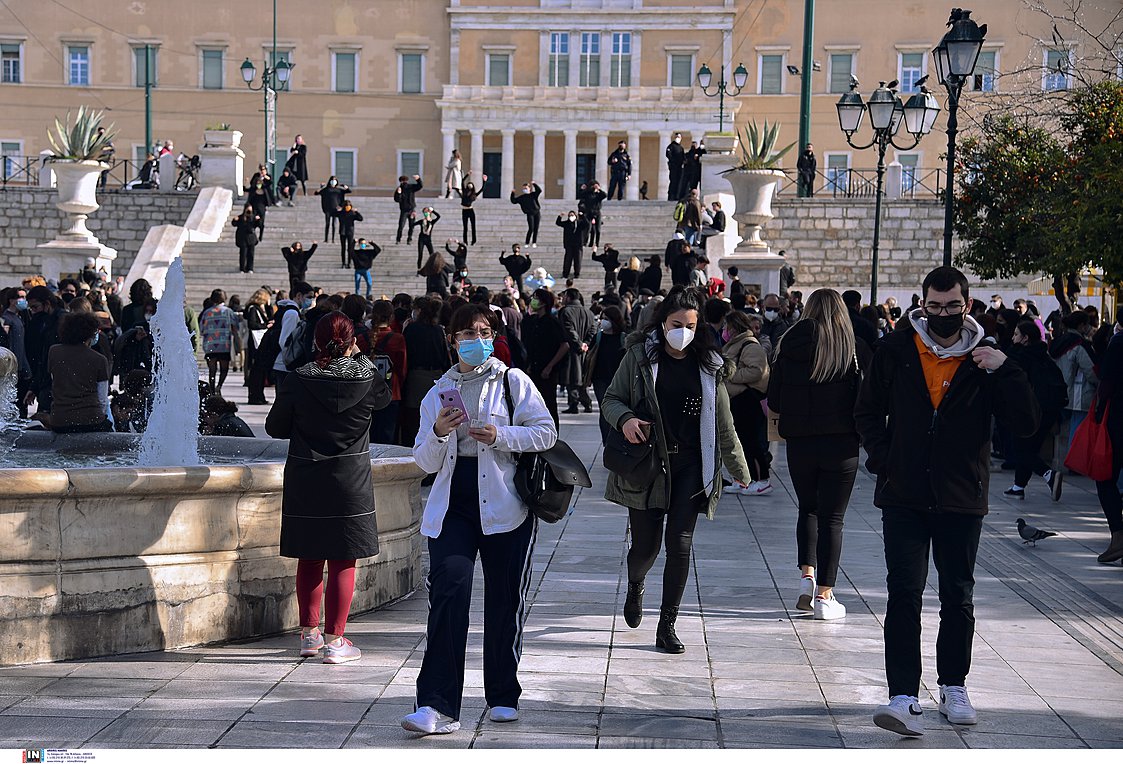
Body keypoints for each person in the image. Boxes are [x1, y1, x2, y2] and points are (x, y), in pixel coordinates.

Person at [855, 266, 1039, 737]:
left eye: (951, 307)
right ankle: (903, 695)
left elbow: (1025, 424)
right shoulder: (898, 349)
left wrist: (1008, 370)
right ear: (923, 305)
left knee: (958, 595)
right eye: (933, 307)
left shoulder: (985, 358)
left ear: (967, 305)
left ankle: (953, 685)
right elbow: (867, 410)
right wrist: (884, 458)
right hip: (904, 494)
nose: (942, 315)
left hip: (961, 495)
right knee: (904, 593)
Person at [403, 303, 557, 736]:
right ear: (452, 340)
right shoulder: (438, 392)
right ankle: (436, 704)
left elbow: (546, 432)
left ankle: (503, 693)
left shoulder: (512, 380)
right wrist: (438, 432)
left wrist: (500, 434)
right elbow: (424, 461)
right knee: (450, 590)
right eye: (468, 333)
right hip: (455, 502)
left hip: (506, 502)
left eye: (484, 331)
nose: (477, 339)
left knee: (504, 598)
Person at [602, 286, 751, 653]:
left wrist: (740, 470)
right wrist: (625, 420)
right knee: (645, 549)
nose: (682, 330)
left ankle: (667, 625)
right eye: (675, 323)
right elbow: (610, 399)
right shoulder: (639, 358)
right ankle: (636, 584)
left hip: (691, 465)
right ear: (663, 323)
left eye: (690, 324)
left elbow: (723, 424)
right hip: (648, 464)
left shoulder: (709, 366)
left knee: (680, 544)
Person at [266, 311, 391, 665]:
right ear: (352, 341)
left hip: (307, 475)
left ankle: (309, 635)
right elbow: (383, 401)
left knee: (309, 556)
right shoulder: (367, 379)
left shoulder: (298, 379)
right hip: (350, 478)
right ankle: (336, 641)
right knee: (342, 558)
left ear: (315, 342)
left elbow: (275, 427)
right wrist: (359, 356)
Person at [766, 289, 865, 621]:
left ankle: (806, 577)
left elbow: (775, 401)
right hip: (841, 445)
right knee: (832, 519)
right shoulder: (850, 350)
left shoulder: (788, 346)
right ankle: (826, 594)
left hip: (800, 443)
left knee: (807, 509)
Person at [1003, 320, 1067, 500]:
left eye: (1016, 334)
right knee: (1030, 448)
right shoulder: (1043, 355)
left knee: (1022, 449)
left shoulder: (1019, 356)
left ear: (1025, 338)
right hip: (1048, 409)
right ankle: (1018, 486)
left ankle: (1048, 474)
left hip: (1028, 409)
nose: (1013, 338)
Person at [721, 310, 773, 497]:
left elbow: (756, 372)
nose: (724, 330)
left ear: (734, 327)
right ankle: (743, 478)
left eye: (727, 327)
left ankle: (762, 479)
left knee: (751, 441)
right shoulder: (732, 345)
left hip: (747, 400)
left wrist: (730, 374)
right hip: (734, 400)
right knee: (739, 442)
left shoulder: (750, 345)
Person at [41, 311, 111, 433]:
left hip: (59, 420)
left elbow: (55, 380)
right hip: (90, 420)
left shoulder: (54, 352)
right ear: (90, 333)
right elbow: (102, 399)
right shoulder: (99, 359)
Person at [402, 297, 452, 446]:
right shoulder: (438, 330)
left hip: (416, 376)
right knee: (432, 414)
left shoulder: (412, 329)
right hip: (436, 376)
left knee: (414, 417)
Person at [521, 288, 568, 427]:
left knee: (549, 403)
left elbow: (564, 345)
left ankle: (553, 432)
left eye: (536, 298)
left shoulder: (552, 322)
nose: (533, 300)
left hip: (547, 370)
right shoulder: (533, 321)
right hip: (534, 368)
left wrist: (550, 366)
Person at [368, 300, 407, 445]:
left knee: (369, 435)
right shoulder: (398, 339)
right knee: (387, 436)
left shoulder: (362, 338)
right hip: (391, 391)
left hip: (366, 392)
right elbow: (402, 369)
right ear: (391, 317)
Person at [24, 286, 66, 415]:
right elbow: (43, 359)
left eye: (35, 307)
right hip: (47, 386)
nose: (33, 312)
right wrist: (34, 387)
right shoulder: (46, 322)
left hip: (57, 388)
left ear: (47, 304)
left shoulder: (61, 322)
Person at [590, 305, 627, 443]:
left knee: (617, 409)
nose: (603, 321)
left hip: (618, 380)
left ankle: (617, 439)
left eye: (606, 319)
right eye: (602, 318)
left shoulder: (623, 338)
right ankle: (607, 441)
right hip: (600, 379)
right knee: (604, 409)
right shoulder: (598, 337)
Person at [559, 288, 596, 415]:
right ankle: (586, 402)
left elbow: (569, 330)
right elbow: (593, 329)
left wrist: (579, 344)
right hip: (585, 349)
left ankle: (574, 403)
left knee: (572, 377)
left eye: (564, 296)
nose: (562, 299)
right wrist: (586, 343)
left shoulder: (565, 312)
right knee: (581, 377)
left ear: (568, 297)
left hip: (571, 349)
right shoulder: (589, 312)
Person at [200, 289, 237, 394]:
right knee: (224, 369)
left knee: (212, 370)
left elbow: (202, 329)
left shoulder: (207, 312)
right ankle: (219, 386)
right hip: (224, 344)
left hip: (210, 344)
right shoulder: (228, 312)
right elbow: (235, 327)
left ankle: (211, 389)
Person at [244, 289, 272, 405]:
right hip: (255, 342)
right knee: (257, 371)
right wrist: (265, 325)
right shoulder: (253, 309)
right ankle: (255, 396)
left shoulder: (259, 308)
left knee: (259, 372)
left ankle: (259, 395)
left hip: (257, 342)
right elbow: (252, 324)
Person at [315, 176, 350, 244]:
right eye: (332, 180)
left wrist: (345, 187)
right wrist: (321, 187)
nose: (333, 182)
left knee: (334, 224)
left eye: (335, 180)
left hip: (336, 209)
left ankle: (333, 239)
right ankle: (326, 239)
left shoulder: (339, 190)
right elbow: (316, 193)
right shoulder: (326, 189)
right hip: (328, 209)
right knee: (327, 224)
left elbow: (349, 191)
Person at [510, 181, 542, 247]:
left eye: (526, 188)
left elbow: (539, 190)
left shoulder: (533, 195)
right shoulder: (522, 197)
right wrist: (512, 193)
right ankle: (527, 242)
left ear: (529, 189)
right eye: (524, 188)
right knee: (531, 228)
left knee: (536, 228)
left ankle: (534, 242)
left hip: (537, 212)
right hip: (529, 214)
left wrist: (534, 184)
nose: (525, 189)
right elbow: (514, 201)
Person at [394, 174, 424, 245]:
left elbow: (420, 186)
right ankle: (398, 239)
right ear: (400, 181)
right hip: (404, 211)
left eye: (405, 181)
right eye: (402, 181)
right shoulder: (399, 189)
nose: (404, 182)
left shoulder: (411, 187)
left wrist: (418, 179)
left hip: (411, 210)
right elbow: (397, 200)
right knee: (401, 225)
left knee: (411, 225)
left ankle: (409, 239)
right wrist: (399, 193)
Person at [556, 210, 584, 279]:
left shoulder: (579, 223)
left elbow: (586, 224)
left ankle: (577, 273)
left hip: (578, 245)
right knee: (567, 260)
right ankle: (565, 273)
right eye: (570, 215)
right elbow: (558, 223)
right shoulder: (567, 223)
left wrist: (582, 216)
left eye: (572, 215)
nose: (571, 216)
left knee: (577, 260)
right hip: (569, 245)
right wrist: (560, 216)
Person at [231, 206, 260, 274]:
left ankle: (250, 268)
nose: (248, 212)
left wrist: (258, 220)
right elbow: (234, 224)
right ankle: (242, 268)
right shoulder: (241, 217)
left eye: (250, 210)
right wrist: (235, 220)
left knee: (251, 254)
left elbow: (257, 225)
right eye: (248, 210)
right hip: (242, 238)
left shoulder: (253, 218)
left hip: (251, 238)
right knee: (243, 254)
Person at [337, 200, 364, 269]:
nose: (347, 207)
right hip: (342, 232)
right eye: (346, 206)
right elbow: (332, 213)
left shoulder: (352, 213)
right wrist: (337, 210)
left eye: (349, 206)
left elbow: (360, 218)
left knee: (350, 248)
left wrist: (356, 212)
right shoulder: (341, 213)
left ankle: (349, 263)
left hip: (350, 232)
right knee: (343, 248)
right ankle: (343, 262)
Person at [579, 181, 607, 249]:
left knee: (598, 230)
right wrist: (582, 189)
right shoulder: (587, 194)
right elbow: (581, 195)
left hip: (597, 213)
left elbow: (605, 195)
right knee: (588, 228)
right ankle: (584, 243)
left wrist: (599, 189)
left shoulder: (598, 194)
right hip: (589, 213)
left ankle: (597, 243)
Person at [459, 176, 483, 245]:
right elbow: (462, 181)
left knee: (473, 226)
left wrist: (484, 181)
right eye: (469, 184)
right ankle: (465, 241)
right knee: (465, 227)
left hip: (471, 210)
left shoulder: (474, 194)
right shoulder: (464, 192)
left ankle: (474, 240)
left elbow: (482, 189)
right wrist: (468, 175)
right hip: (464, 211)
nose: (470, 185)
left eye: (471, 184)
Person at [666, 132, 684, 201]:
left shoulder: (681, 148)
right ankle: (671, 196)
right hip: (673, 167)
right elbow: (668, 154)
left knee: (679, 182)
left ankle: (677, 196)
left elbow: (683, 157)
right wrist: (674, 161)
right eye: (676, 137)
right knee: (673, 181)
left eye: (679, 137)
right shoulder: (671, 146)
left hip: (679, 168)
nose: (677, 138)